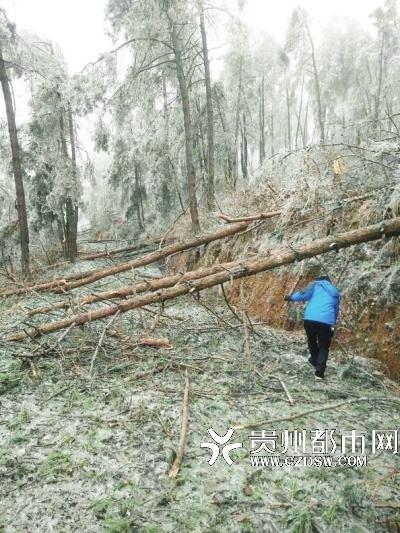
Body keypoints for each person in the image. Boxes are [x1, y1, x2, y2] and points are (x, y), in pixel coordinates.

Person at [284, 275, 340, 379]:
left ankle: (314, 360)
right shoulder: (335, 292)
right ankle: (319, 372)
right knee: (324, 346)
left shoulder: (315, 285)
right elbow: (335, 309)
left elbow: (302, 294)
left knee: (312, 340)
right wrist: (333, 323)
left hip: (310, 319)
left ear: (319, 280)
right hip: (327, 322)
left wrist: (291, 297)